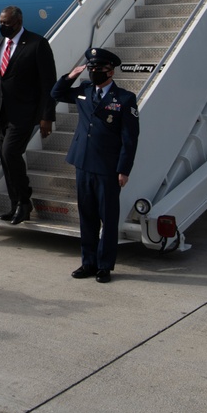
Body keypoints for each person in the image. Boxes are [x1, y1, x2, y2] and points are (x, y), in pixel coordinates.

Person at [51, 47, 139, 283]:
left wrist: (124, 169)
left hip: (108, 168)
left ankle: (104, 266)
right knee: (86, 216)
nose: (93, 73)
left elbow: (130, 139)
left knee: (108, 219)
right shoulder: (84, 91)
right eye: (91, 69)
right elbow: (56, 93)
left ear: (110, 72)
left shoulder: (124, 99)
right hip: (83, 163)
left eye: (98, 69)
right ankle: (88, 262)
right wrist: (70, 76)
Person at [0, 6, 57, 225]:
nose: (2, 27)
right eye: (0, 22)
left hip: (24, 114)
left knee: (11, 154)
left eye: (6, 23)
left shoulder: (37, 44)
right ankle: (14, 204)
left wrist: (47, 116)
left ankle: (24, 201)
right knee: (6, 160)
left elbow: (49, 83)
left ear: (18, 22)